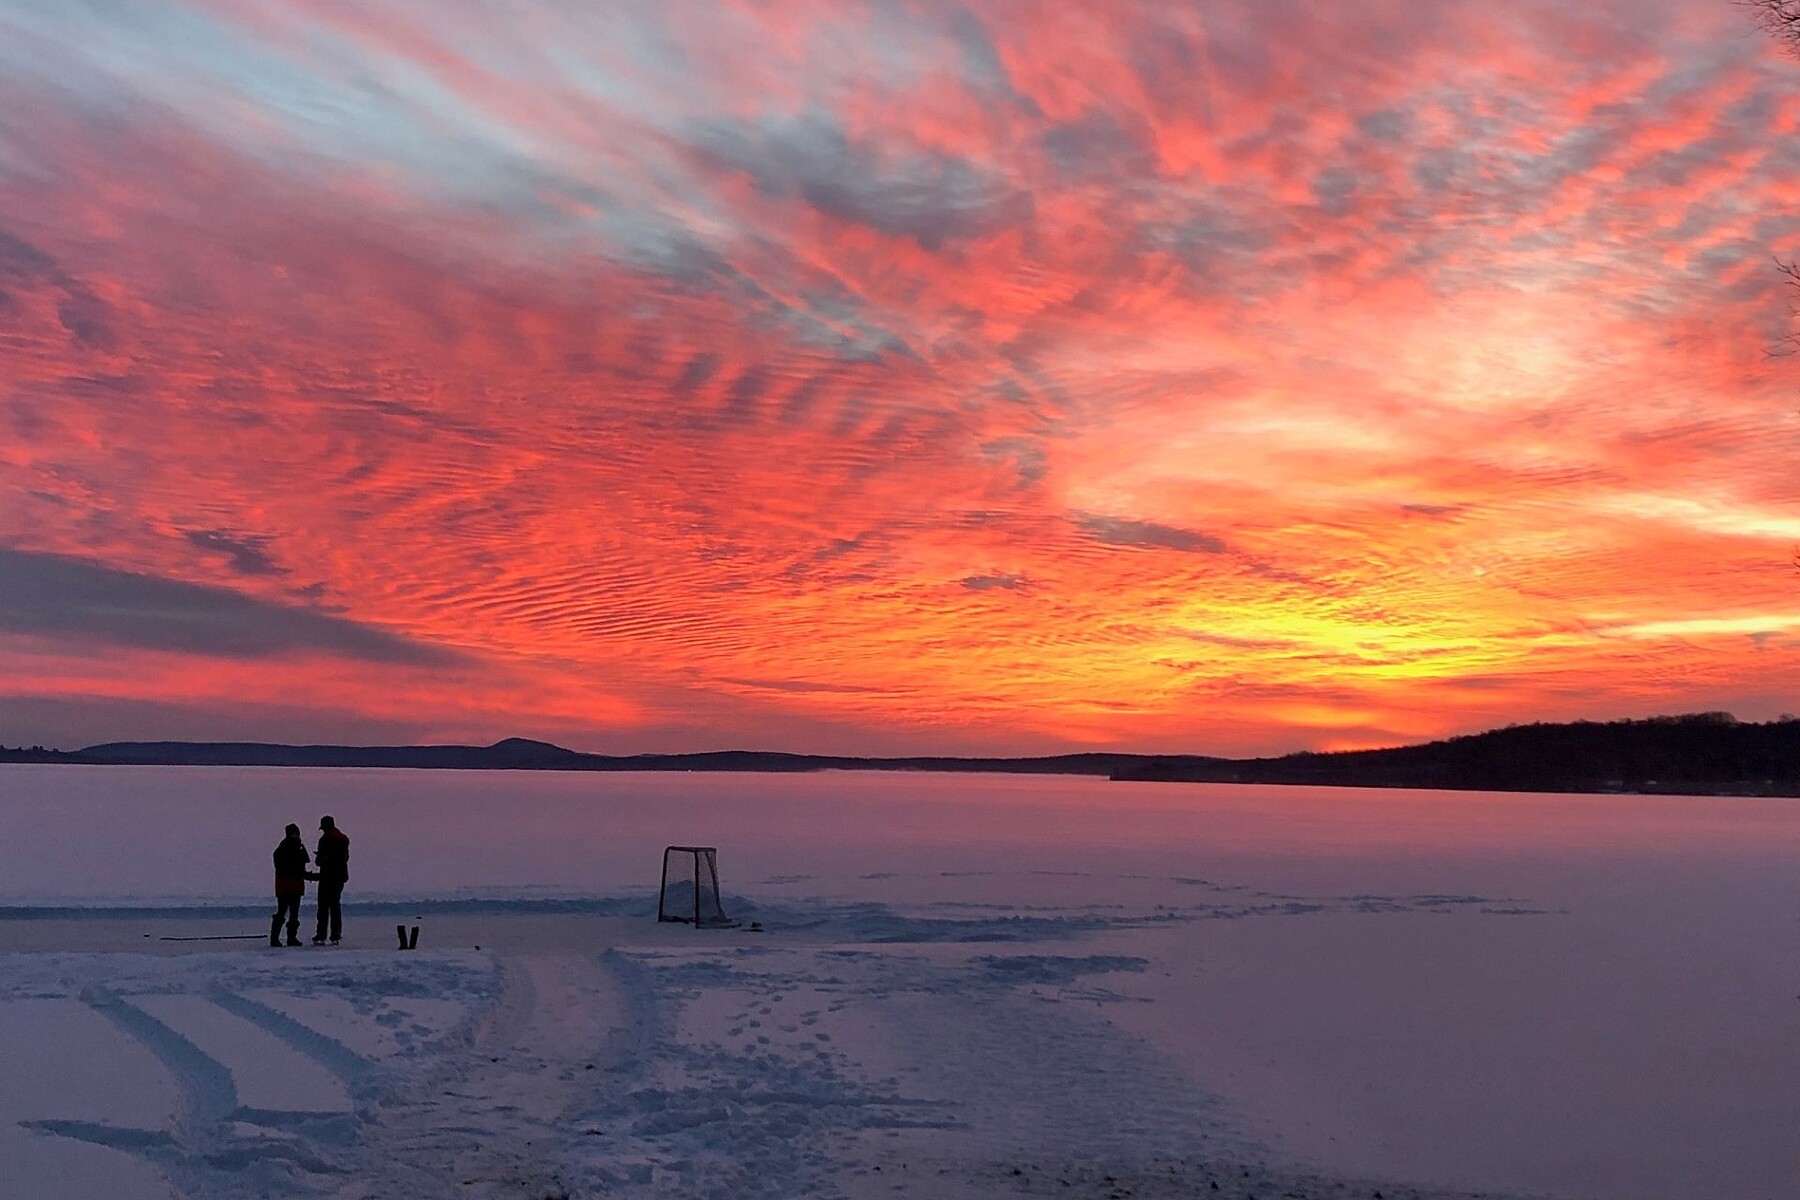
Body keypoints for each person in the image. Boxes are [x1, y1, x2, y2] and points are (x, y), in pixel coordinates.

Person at [312, 815, 350, 945]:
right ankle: (336, 935)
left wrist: (320, 858)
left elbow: (319, 861)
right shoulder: (344, 839)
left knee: (323, 906)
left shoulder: (324, 840)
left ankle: (321, 934)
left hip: (327, 876)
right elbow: (345, 858)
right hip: (339, 876)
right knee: (335, 906)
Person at [271, 823, 310, 947]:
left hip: (285, 885)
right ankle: (288, 938)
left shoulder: (281, 849)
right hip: (292, 885)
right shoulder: (295, 848)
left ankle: (279, 938)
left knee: (285, 912)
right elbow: (298, 867)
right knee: (290, 912)